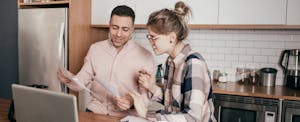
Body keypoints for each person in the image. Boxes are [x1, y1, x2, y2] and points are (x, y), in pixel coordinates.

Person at [57, 5, 155, 117]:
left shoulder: (145, 56)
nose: (118, 34)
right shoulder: (95, 49)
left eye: (125, 29)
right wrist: (69, 79)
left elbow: (147, 96)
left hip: (126, 116)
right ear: (109, 25)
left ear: (132, 29)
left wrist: (132, 102)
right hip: (95, 111)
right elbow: (82, 80)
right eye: (115, 27)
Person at [133, 1, 216, 122]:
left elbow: (193, 117)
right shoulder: (170, 62)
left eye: (153, 37)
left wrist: (147, 114)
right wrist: (151, 87)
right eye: (149, 37)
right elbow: (171, 103)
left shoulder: (193, 63)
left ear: (172, 37)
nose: (150, 42)